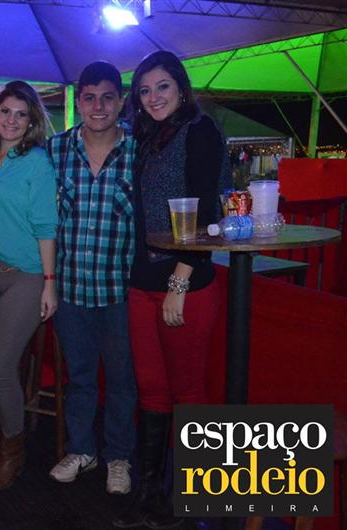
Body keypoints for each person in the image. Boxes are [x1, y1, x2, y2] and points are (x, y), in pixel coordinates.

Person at [113, 50, 227, 529]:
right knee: (152, 390)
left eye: (162, 86)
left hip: (187, 284)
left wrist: (180, 280)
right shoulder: (144, 137)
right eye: (145, 90)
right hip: (142, 282)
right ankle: (150, 496)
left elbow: (207, 212)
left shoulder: (200, 131)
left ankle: (191, 503)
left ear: (181, 87)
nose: (153, 96)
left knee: (188, 391)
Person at [46, 61, 138, 496]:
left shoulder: (139, 151)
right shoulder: (56, 150)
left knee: (122, 380)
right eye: (89, 97)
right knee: (79, 377)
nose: (98, 106)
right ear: (79, 101)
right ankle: (82, 449)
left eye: (107, 97)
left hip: (121, 290)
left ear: (121, 102)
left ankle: (119, 457)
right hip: (70, 288)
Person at [0, 81, 58, 490]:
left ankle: (12, 452)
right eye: (6, 111)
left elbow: (46, 225)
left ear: (32, 120)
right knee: (2, 367)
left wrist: (49, 283)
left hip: (24, 275)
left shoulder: (37, 162)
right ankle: (9, 441)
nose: (12, 120)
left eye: (22, 114)